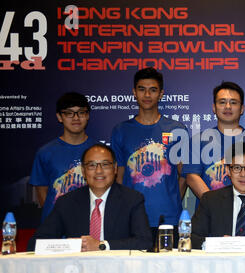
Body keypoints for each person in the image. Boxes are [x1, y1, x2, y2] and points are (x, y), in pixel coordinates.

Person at [110, 67, 188, 245]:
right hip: (132, 217)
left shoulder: (177, 129)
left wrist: (172, 201)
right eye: (141, 89)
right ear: (134, 92)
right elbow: (119, 177)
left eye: (153, 90)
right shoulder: (121, 131)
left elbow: (183, 175)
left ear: (160, 94)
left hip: (168, 218)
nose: (147, 94)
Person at [27, 144, 153, 251]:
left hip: (117, 269)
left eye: (105, 164)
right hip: (77, 270)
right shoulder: (67, 202)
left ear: (115, 169)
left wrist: (101, 246)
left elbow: (145, 242)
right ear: (83, 171)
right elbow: (36, 243)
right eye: (92, 165)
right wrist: (71, 246)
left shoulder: (132, 199)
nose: (99, 171)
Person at [183, 81, 245, 203]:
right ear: (214, 107)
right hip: (210, 214)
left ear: (242, 109)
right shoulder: (199, 140)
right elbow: (192, 177)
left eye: (233, 102)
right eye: (222, 102)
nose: (228, 106)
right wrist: (215, 206)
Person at [29, 92, 97, 223]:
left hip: (91, 223)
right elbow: (42, 193)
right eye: (69, 113)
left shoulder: (100, 152)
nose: (76, 118)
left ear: (87, 115)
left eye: (81, 112)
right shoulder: (45, 152)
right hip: (56, 226)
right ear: (59, 117)